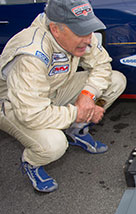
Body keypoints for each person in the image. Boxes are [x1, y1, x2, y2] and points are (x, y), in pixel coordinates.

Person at [0, 0, 126, 193]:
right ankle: (31, 162)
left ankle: (75, 131)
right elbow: (31, 114)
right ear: (56, 29)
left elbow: (102, 65)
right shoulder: (31, 54)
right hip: (15, 105)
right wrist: (77, 113)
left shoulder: (78, 35)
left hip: (52, 90)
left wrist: (87, 95)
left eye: (89, 30)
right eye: (80, 32)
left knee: (116, 81)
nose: (88, 39)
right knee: (54, 144)